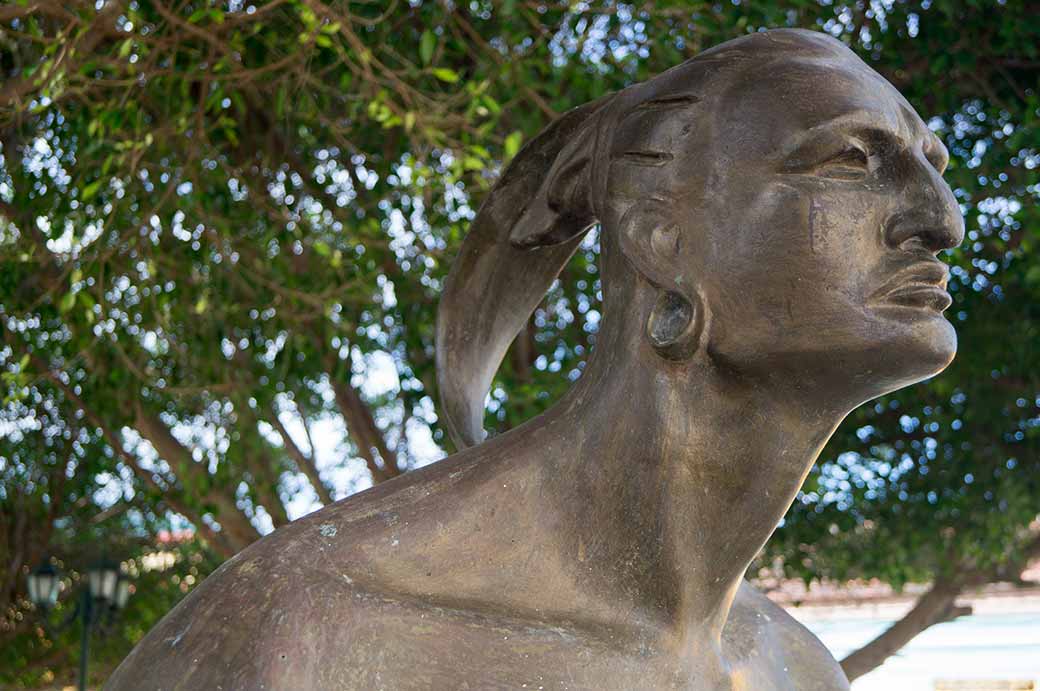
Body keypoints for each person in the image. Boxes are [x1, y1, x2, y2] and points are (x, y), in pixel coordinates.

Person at [107, 28, 963, 690]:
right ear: (658, 236)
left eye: (933, 165)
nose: (941, 219)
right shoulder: (307, 642)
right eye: (852, 159)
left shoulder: (800, 673)